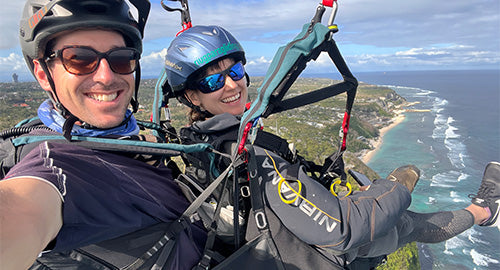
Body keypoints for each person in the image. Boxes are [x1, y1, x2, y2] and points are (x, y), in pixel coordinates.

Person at [161, 25, 500, 268]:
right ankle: (485, 210)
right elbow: (343, 230)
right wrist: (395, 186)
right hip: (314, 251)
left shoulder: (197, 145)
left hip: (276, 236)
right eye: (213, 80)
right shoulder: (250, 153)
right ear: (192, 96)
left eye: (235, 71)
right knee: (409, 223)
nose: (232, 84)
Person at [0, 1, 207, 269]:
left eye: (121, 58)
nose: (106, 76)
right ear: (43, 74)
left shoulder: (126, 145)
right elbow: (20, 208)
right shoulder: (55, 165)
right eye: (79, 59)